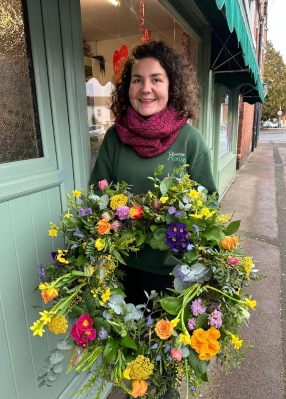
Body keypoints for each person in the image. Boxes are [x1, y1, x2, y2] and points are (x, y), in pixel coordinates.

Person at [89, 39, 218, 306]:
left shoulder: (190, 140)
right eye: (137, 80)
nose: (145, 89)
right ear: (128, 87)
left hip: (173, 272)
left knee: (163, 345)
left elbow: (209, 205)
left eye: (156, 79)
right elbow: (95, 198)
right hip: (121, 267)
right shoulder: (114, 138)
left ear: (172, 86)